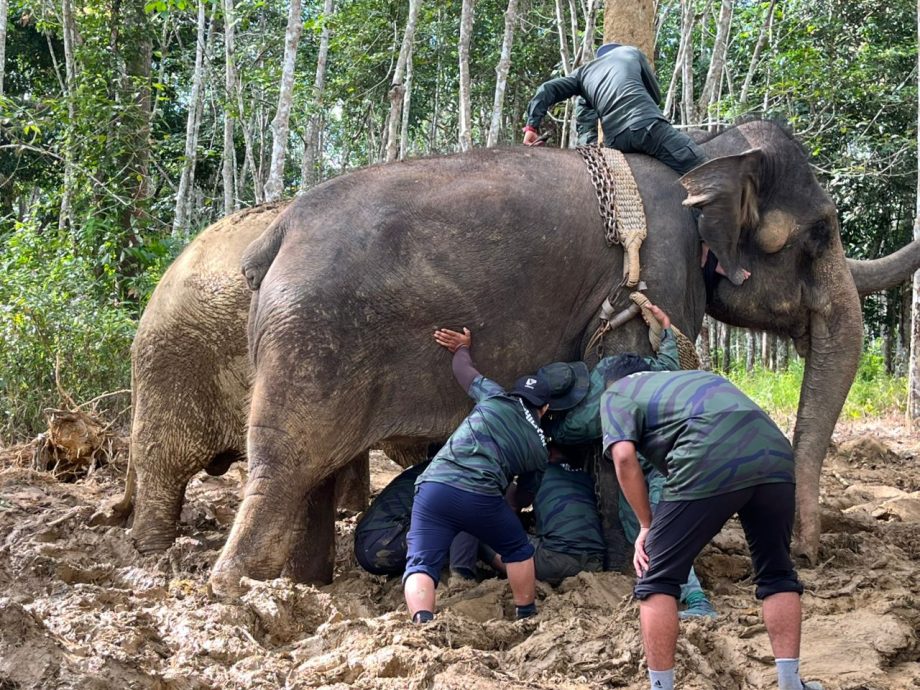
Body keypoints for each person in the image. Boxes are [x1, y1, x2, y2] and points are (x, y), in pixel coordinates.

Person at [602, 367, 823, 690]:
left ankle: (660, 687)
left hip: (709, 451)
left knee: (657, 578)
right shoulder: (687, 380)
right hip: (773, 451)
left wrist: (647, 524)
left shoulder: (614, 393)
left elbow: (623, 457)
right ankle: (791, 684)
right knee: (777, 572)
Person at [543, 302, 716, 618]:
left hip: (667, 463)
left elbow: (573, 430)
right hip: (693, 451)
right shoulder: (647, 367)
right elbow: (669, 357)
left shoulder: (606, 390)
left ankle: (697, 601)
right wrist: (664, 329)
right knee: (631, 515)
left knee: (662, 530)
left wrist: (548, 423)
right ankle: (657, 576)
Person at [403, 326, 554, 624]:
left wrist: (462, 347)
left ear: (516, 394)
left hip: (434, 486)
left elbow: (463, 370)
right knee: (518, 550)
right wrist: (503, 510)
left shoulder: (495, 397)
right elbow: (523, 496)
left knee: (421, 561)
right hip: (481, 497)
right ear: (545, 409)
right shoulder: (539, 448)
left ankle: (422, 620)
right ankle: (526, 615)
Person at [522, 43, 705, 176]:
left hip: (617, 141)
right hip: (647, 125)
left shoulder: (583, 73)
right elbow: (655, 96)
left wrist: (532, 127)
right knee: (704, 170)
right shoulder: (630, 52)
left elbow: (547, 89)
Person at [354, 454, 479, 582]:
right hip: (388, 539)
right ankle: (462, 579)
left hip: (368, 545)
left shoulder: (443, 465)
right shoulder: (469, 473)